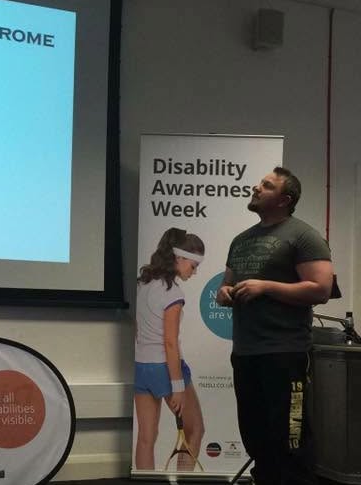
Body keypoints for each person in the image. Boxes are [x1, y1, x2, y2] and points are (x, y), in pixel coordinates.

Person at [216, 167, 334, 485]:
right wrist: (226, 293)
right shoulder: (241, 241)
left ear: (285, 199)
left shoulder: (303, 236)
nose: (256, 187)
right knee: (256, 437)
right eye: (259, 183)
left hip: (285, 353)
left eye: (266, 185)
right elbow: (224, 287)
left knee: (290, 438)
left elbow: (320, 289)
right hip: (246, 351)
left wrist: (265, 287)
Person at [133, 227, 206, 471]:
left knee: (146, 438)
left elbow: (136, 330)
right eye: (193, 265)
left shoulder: (141, 284)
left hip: (140, 368)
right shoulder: (172, 293)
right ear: (179, 257)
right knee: (195, 430)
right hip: (166, 369)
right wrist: (176, 387)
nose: (194, 272)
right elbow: (170, 342)